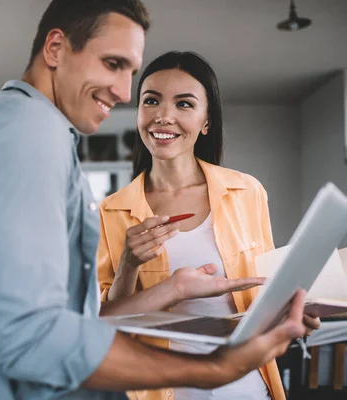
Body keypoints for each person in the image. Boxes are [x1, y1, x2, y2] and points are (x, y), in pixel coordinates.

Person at [0, 2, 307, 399]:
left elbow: (74, 320)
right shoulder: (27, 136)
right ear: (55, 48)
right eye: (112, 64)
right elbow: (33, 335)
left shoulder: (20, 129)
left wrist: (176, 287)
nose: (124, 93)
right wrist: (215, 368)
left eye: (130, 71)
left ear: (205, 121)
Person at [97, 51, 319, 400]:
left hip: (248, 385)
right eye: (151, 101)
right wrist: (128, 265)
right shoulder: (110, 211)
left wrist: (294, 313)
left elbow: (266, 287)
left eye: (184, 104)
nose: (163, 116)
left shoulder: (247, 191)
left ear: (206, 121)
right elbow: (104, 324)